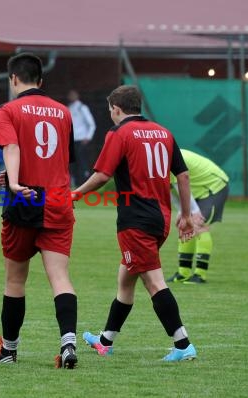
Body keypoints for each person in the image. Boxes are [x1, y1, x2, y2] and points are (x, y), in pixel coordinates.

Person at [73, 85, 198, 362]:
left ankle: (183, 344)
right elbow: (183, 176)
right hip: (161, 217)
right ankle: (106, 341)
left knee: (154, 282)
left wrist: (76, 193)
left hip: (135, 220)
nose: (110, 115)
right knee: (125, 280)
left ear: (116, 109)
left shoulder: (119, 133)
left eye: (110, 110)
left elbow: (103, 176)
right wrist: (186, 215)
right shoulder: (163, 132)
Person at [0, 52, 79, 369]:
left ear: (13, 79)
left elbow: (12, 147)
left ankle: (9, 351)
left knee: (15, 280)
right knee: (60, 277)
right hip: (57, 200)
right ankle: (68, 345)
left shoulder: (7, 111)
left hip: (25, 199)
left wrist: (12, 182)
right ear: (41, 79)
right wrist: (13, 176)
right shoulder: (63, 112)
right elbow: (60, 159)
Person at [168, 149, 229, 284]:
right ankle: (183, 273)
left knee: (199, 226)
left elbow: (182, 181)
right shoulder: (157, 160)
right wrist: (181, 212)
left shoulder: (167, 157)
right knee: (184, 225)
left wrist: (193, 211)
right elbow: (169, 189)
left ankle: (200, 275)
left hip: (214, 186)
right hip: (196, 192)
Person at [67, 89, 96, 187]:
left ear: (77, 96)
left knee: (82, 161)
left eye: (73, 95)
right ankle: (74, 183)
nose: (71, 97)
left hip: (81, 139)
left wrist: (88, 137)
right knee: (72, 162)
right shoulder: (69, 108)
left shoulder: (82, 107)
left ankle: (85, 182)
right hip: (72, 139)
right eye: (70, 95)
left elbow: (91, 124)